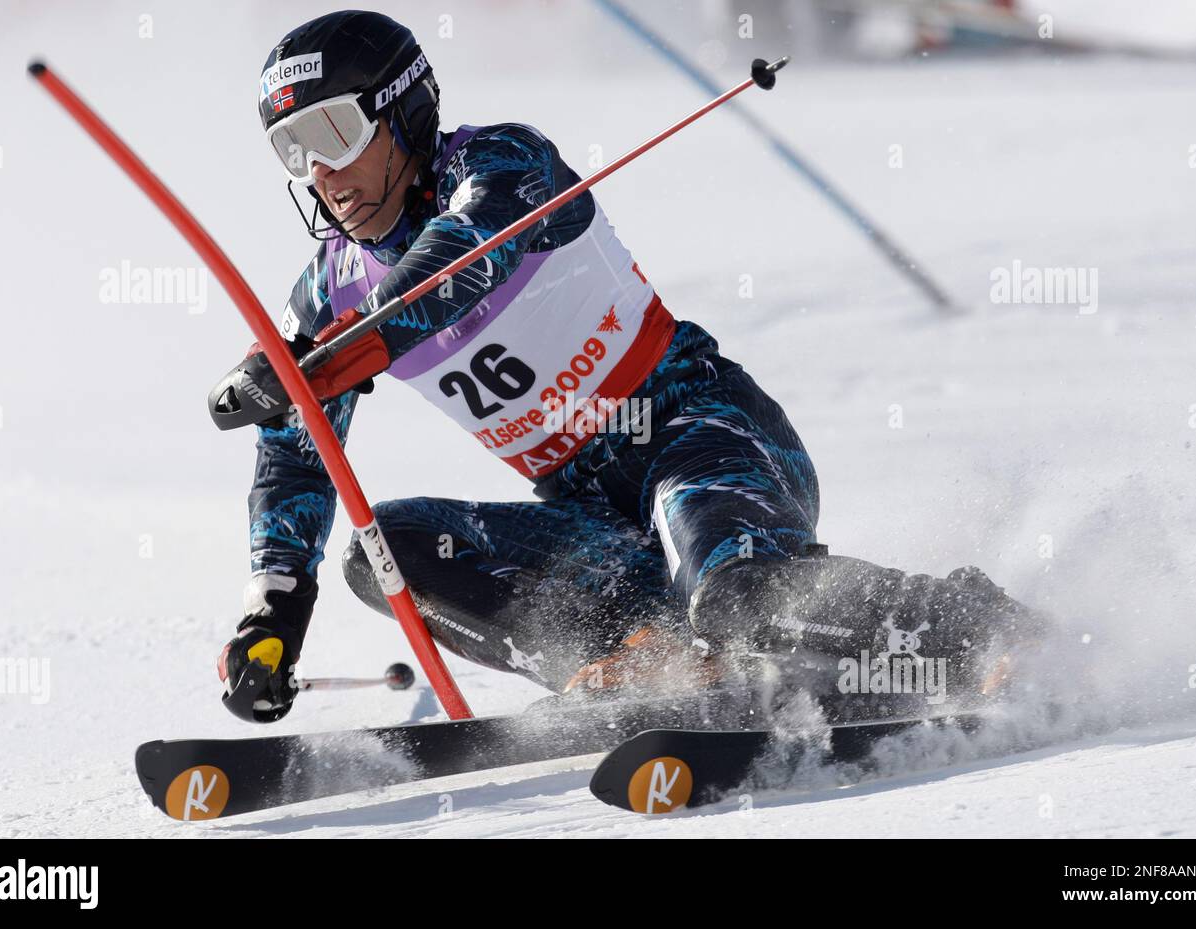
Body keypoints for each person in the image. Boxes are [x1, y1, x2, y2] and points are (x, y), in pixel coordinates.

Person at [218, 10, 1042, 723]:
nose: (320, 175)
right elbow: (296, 449)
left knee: (735, 597)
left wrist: (326, 360)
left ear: (403, 113)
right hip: (596, 520)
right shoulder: (331, 290)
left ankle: (973, 626)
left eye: (332, 135)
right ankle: (653, 655)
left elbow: (449, 269)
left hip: (703, 438)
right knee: (383, 553)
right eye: (292, 150)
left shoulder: (502, 164)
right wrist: (276, 606)